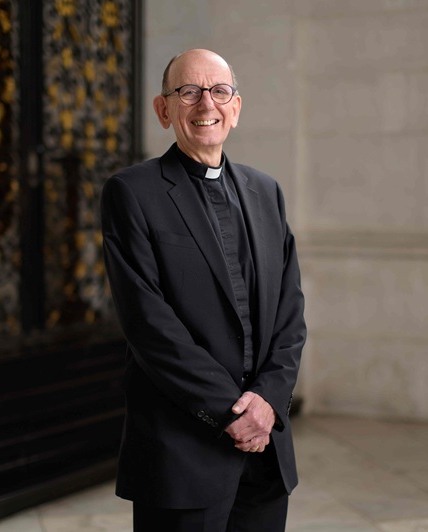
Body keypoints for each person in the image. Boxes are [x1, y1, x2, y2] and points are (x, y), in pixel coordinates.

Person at [100, 48, 306, 532]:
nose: (206, 104)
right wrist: (230, 413)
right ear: (163, 109)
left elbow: (290, 314)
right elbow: (149, 324)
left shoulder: (266, 191)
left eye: (219, 91)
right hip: (182, 451)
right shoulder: (132, 192)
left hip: (265, 448)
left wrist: (267, 401)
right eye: (188, 92)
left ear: (236, 107)